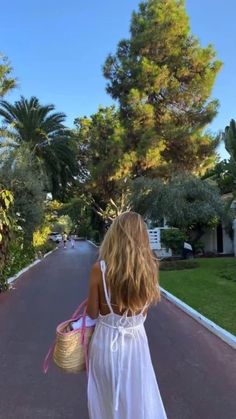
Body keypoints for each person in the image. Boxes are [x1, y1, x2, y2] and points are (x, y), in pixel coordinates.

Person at [86, 211, 167, 419]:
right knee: (137, 400)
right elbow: (143, 312)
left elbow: (92, 313)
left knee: (106, 402)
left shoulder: (100, 270)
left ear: (114, 235)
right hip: (136, 345)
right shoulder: (150, 270)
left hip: (105, 344)